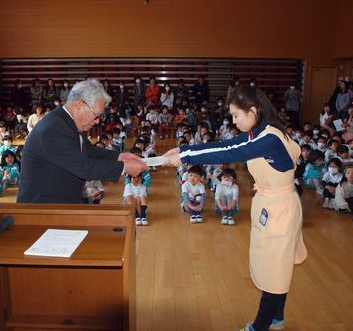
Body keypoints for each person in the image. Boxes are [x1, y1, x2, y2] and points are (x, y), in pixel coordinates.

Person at [163, 85, 307, 331]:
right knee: (277, 264)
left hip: (280, 209)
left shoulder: (269, 138)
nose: (234, 121)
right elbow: (224, 145)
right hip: (272, 204)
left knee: (275, 268)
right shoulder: (259, 133)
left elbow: (229, 151)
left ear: (253, 111)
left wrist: (186, 156)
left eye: (236, 115)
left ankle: (260, 325)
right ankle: (277, 318)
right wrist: (184, 149)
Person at [17, 79, 147, 204]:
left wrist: (119, 156)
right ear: (79, 105)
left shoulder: (65, 122)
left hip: (59, 203)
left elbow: (87, 151)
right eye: (96, 115)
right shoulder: (53, 129)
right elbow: (83, 166)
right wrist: (124, 167)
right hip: (42, 208)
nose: (98, 121)